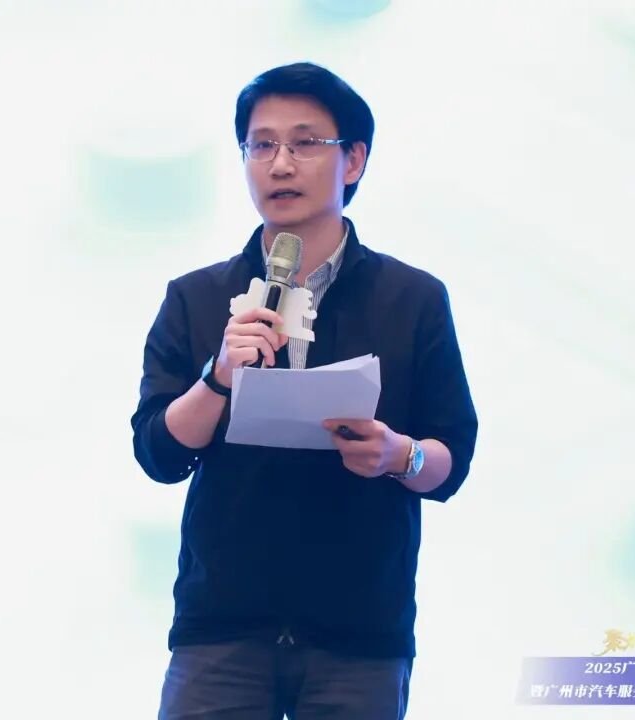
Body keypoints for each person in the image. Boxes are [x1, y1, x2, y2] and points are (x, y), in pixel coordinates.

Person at [131, 61, 478, 720]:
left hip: (358, 636)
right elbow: (158, 453)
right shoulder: (197, 297)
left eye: (305, 143)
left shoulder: (412, 299)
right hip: (222, 630)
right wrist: (218, 376)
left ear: (354, 159)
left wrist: (397, 454)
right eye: (261, 145)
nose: (280, 164)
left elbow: (450, 460)